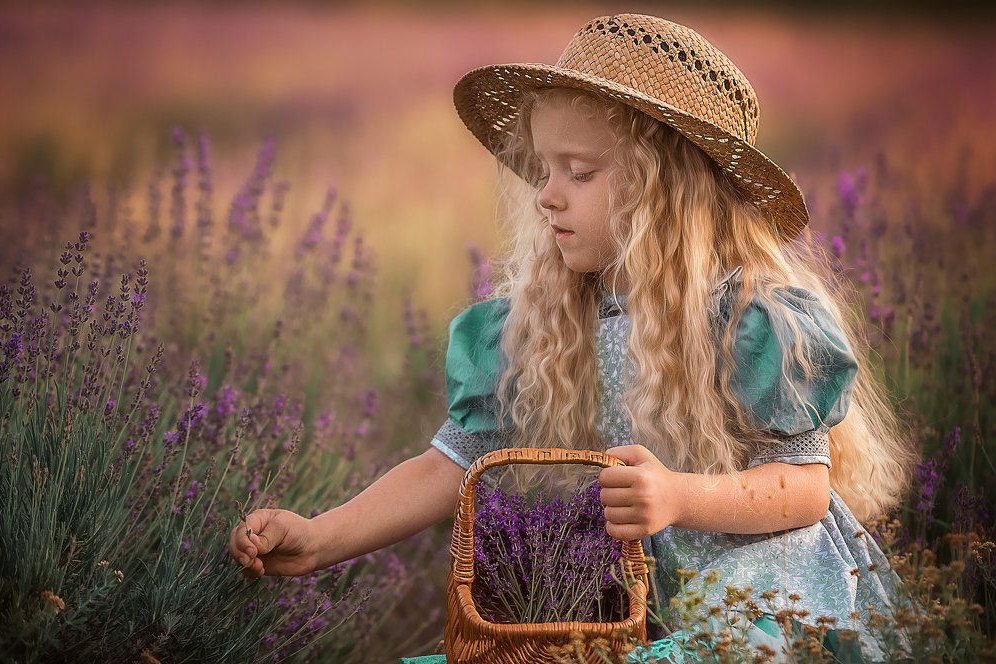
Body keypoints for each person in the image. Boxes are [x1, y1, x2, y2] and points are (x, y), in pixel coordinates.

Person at [229, 13, 918, 663]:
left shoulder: (750, 320)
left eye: (580, 173)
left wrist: (678, 497)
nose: (547, 195)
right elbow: (449, 465)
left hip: (761, 596)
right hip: (632, 604)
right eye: (544, 170)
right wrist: (319, 539)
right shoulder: (547, 325)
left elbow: (803, 490)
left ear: (665, 191)